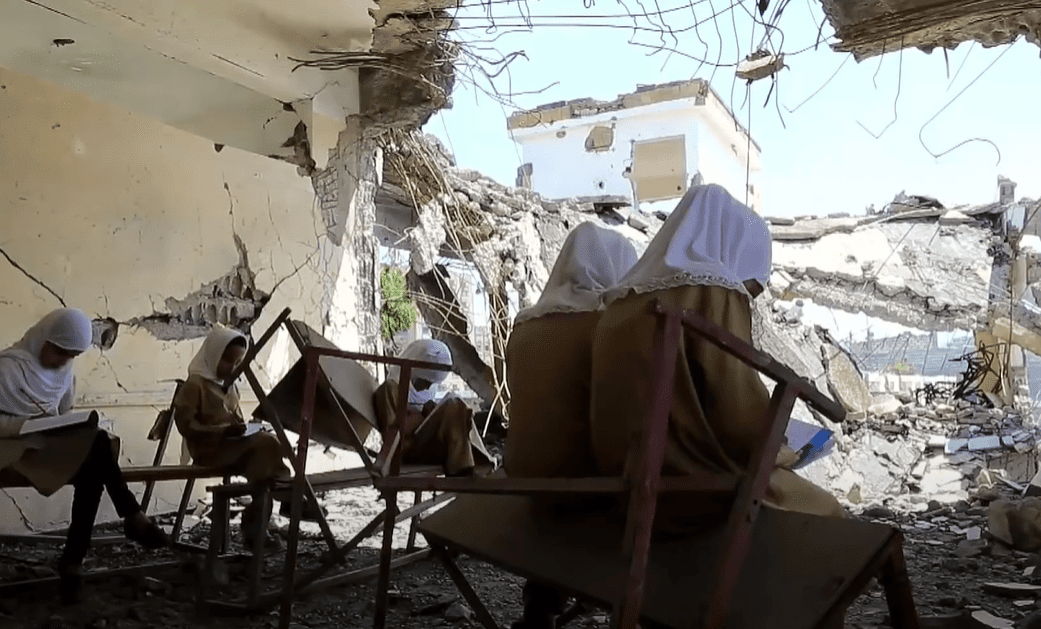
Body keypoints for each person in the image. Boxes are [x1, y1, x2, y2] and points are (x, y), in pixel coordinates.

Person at [590, 184, 846, 530]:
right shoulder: (714, 290)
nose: (750, 296)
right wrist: (783, 449)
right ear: (736, 255)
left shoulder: (619, 301)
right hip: (688, 486)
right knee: (831, 518)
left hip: (622, 484)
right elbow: (737, 412)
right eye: (753, 285)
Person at [504, 222, 639, 629]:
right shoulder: (607, 326)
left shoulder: (525, 325)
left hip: (525, 474)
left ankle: (539, 610)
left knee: (560, 473)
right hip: (585, 484)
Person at [0, 308, 169, 605]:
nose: (63, 361)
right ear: (43, 338)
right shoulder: (7, 369)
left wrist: (60, 424)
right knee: (97, 452)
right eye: (59, 352)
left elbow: (62, 414)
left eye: (71, 356)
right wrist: (23, 425)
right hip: (10, 447)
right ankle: (130, 517)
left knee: (94, 461)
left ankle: (74, 560)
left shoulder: (64, 372)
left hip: (43, 443)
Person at [172, 325, 291, 550]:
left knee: (267, 458)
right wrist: (221, 431)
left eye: (238, 363)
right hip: (207, 450)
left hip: (231, 447)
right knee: (266, 447)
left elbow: (236, 421)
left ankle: (258, 530)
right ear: (214, 354)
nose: (233, 368)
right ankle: (286, 499)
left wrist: (245, 428)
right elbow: (186, 427)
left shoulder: (230, 387)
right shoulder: (195, 385)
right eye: (228, 361)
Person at [372, 339, 493, 477]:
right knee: (454, 405)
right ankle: (463, 471)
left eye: (431, 384)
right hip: (408, 451)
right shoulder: (389, 390)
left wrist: (430, 414)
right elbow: (393, 433)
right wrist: (421, 418)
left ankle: (466, 468)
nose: (427, 388)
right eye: (425, 382)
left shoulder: (416, 393)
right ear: (416, 373)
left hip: (426, 445)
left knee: (456, 406)